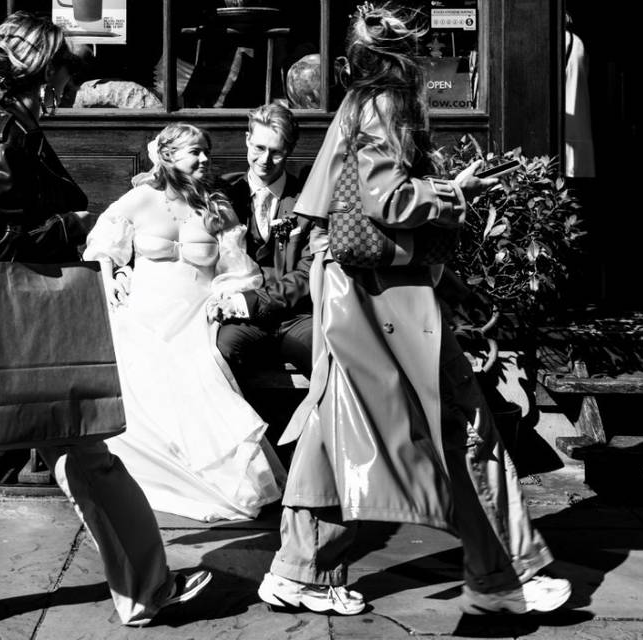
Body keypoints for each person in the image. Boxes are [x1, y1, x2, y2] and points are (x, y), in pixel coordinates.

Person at [0, 14, 209, 640]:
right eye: (62, 66)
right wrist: (78, 225)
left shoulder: (17, 132)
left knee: (87, 453)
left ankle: (147, 589)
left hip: (36, 326)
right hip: (10, 325)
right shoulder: (1, 138)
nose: (68, 78)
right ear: (39, 71)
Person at [257, 4, 572, 617]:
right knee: (457, 416)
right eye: (421, 52)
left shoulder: (356, 106)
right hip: (380, 295)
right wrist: (458, 192)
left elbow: (344, 209)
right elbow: (388, 201)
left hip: (353, 288)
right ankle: (507, 571)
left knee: (337, 427)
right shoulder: (389, 105)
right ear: (405, 58)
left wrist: (449, 283)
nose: (427, 62)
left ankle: (303, 569)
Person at [83, 123, 286, 523]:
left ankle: (207, 478)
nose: (205, 159)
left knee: (201, 373)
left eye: (206, 151)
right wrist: (115, 277)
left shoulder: (216, 207)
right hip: (145, 313)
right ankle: (150, 475)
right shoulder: (139, 199)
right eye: (196, 152)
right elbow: (101, 247)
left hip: (196, 314)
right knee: (136, 361)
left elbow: (240, 270)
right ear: (168, 156)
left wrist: (224, 296)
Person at [214, 103, 314, 381]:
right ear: (247, 140)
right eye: (258, 148)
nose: (265, 160)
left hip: (296, 317)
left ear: (290, 150)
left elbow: (308, 274)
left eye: (276, 152)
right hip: (242, 321)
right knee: (220, 351)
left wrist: (248, 302)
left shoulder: (307, 202)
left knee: (325, 354)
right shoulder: (223, 195)